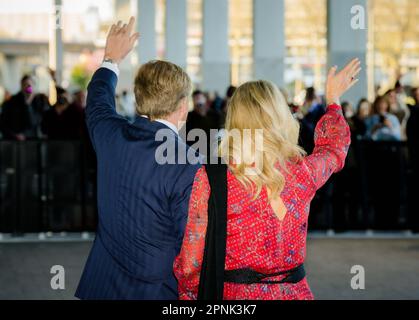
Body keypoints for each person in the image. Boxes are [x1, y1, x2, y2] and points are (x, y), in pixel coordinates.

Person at [174, 59, 361, 300]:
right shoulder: (303, 171)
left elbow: (193, 257)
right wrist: (333, 101)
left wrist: (188, 295)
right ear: (280, 117)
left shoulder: (213, 177)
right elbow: (334, 150)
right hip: (294, 293)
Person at [75, 17, 201, 300]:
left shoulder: (110, 137)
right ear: (183, 107)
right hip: (158, 292)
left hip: (100, 287)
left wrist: (110, 59)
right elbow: (192, 244)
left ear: (139, 96)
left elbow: (97, 100)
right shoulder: (190, 163)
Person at [0, 75, 37, 140]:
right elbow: (4, 123)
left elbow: (34, 123)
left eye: (30, 85)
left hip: (32, 141)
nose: (28, 88)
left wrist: (28, 103)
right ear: (21, 86)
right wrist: (14, 135)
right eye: (25, 85)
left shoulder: (38, 101)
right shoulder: (12, 102)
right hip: (14, 141)